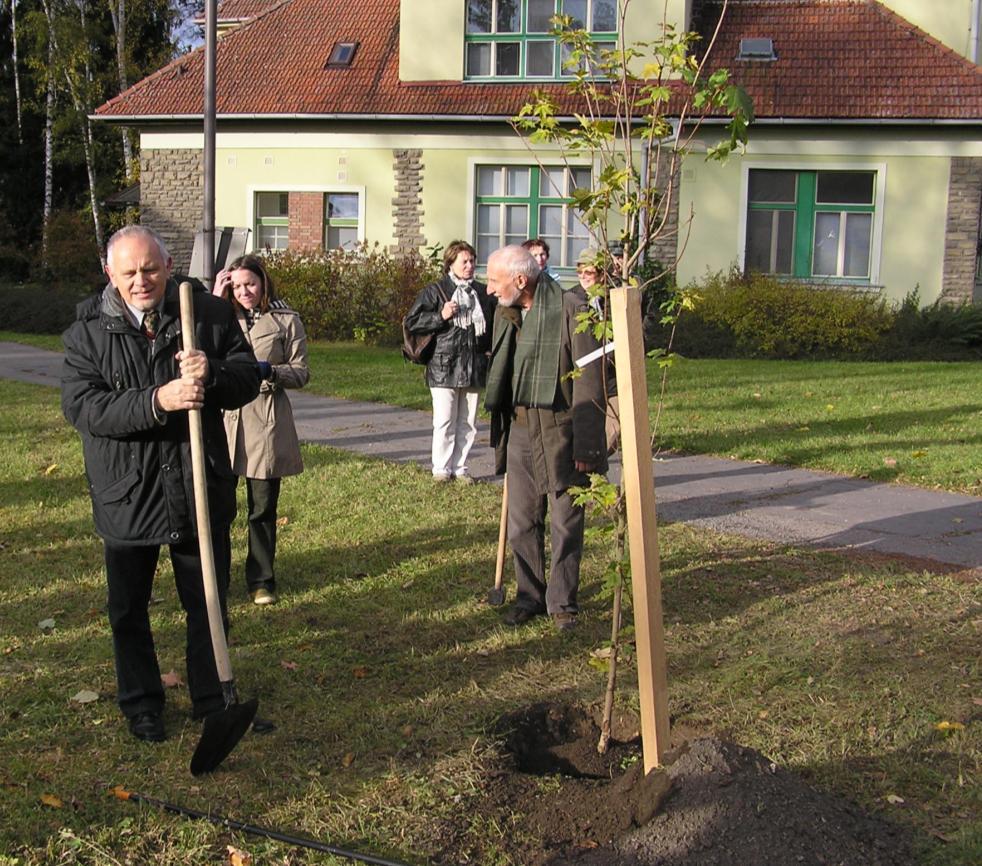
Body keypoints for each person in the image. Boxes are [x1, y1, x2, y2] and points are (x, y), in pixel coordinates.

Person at [62, 225, 261, 743]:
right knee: (129, 609)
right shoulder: (88, 331)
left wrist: (212, 371)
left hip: (198, 484)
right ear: (110, 273)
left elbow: (246, 378)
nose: (141, 280)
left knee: (208, 599)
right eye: (128, 272)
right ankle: (142, 703)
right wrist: (158, 400)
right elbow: (84, 408)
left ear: (168, 265)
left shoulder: (208, 314)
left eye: (150, 268)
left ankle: (212, 697)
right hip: (129, 493)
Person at [484, 245, 608, 631]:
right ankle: (530, 597)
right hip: (520, 427)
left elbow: (592, 381)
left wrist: (589, 445)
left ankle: (562, 602)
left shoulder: (573, 309)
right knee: (522, 521)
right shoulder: (507, 314)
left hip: (562, 429)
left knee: (565, 521)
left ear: (521, 280)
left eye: (493, 280)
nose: (488, 289)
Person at [214, 256, 309, 605]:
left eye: (250, 284)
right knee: (218, 507)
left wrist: (270, 372)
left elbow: (301, 372)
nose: (244, 292)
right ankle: (217, 577)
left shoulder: (286, 320)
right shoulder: (220, 318)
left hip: (266, 422)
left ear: (263, 282)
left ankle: (261, 580)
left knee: (262, 507)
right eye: (236, 286)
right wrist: (213, 297)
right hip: (224, 422)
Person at [404, 240, 496, 483]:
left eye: (472, 261)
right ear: (451, 263)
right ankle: (441, 469)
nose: (469, 265)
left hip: (474, 365)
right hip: (443, 365)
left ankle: (460, 468)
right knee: (444, 420)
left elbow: (494, 327)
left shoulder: (483, 293)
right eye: (464, 261)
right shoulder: (435, 291)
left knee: (468, 421)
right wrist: (440, 316)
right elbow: (411, 322)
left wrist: (488, 353)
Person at [574, 247, 621, 454]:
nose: (584, 277)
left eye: (589, 272)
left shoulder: (615, 297)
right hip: (584, 376)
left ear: (602, 274)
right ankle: (590, 470)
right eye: (580, 272)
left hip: (613, 373)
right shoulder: (571, 299)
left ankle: (596, 461)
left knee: (617, 426)